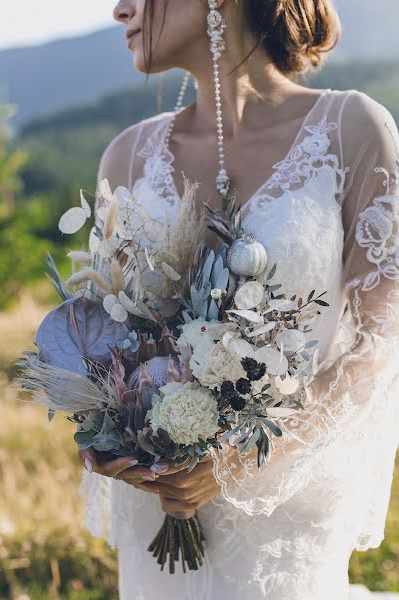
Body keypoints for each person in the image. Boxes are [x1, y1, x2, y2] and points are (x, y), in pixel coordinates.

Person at [79, 1, 399, 598]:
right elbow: (106, 339)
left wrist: (236, 462)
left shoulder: (351, 130)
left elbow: (383, 341)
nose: (119, 8)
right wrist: (109, 432)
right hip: (159, 518)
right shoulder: (125, 156)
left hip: (283, 521)